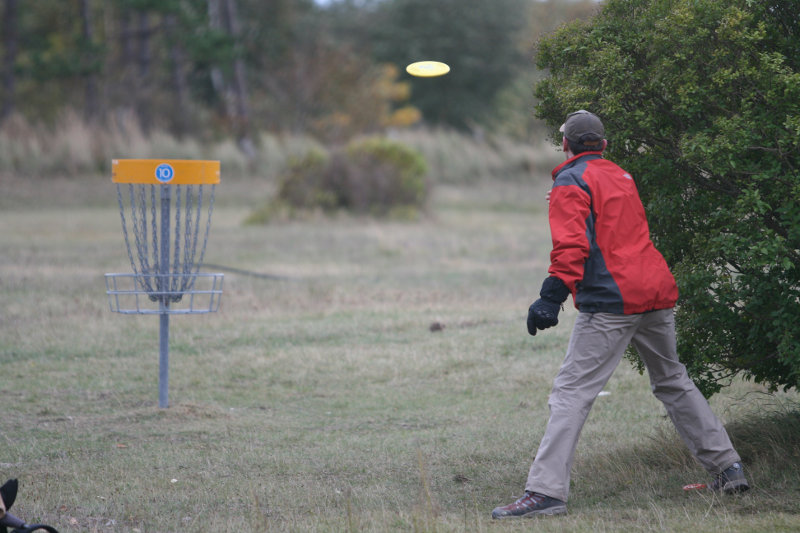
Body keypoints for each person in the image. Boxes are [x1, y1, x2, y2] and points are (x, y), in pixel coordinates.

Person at [491, 110, 749, 519]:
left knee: (571, 393)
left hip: (613, 301)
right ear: (604, 145)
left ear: (565, 145)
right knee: (673, 381)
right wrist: (562, 192)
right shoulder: (620, 175)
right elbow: (607, 223)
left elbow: (572, 245)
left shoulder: (570, 180)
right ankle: (728, 468)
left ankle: (545, 493)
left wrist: (549, 297)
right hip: (656, 290)